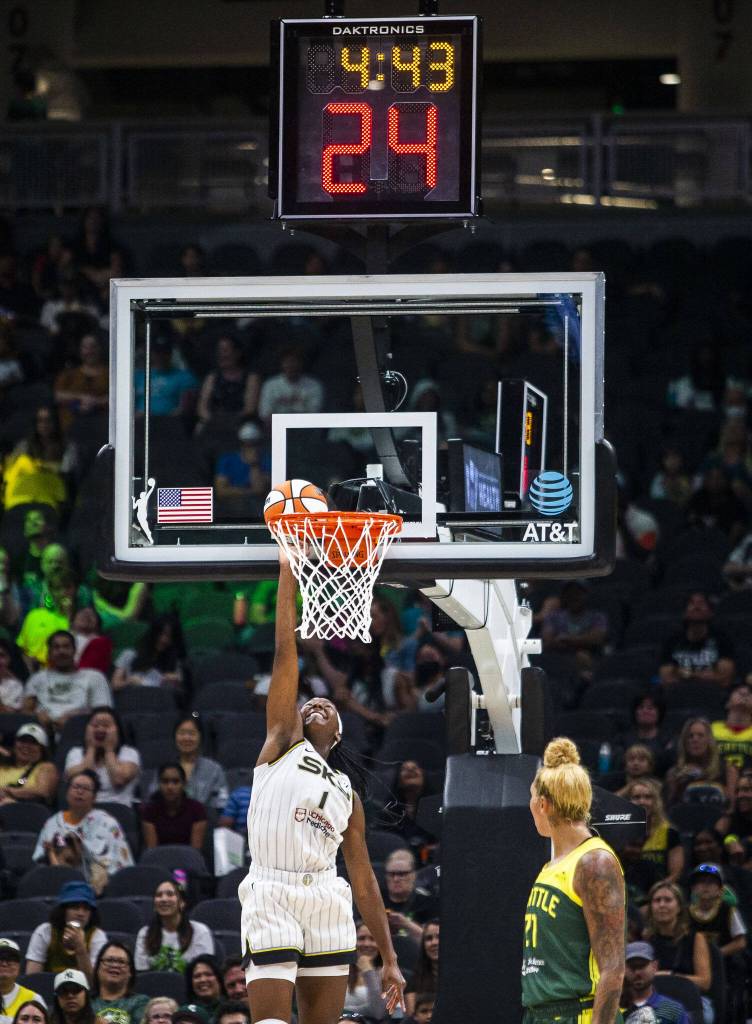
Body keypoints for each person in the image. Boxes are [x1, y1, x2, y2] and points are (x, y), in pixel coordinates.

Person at [236, 553, 404, 1024]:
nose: (315, 704)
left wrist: (390, 958)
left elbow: (366, 881)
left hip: (329, 899)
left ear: (339, 733)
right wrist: (289, 570)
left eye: (326, 706)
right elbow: (283, 654)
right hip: (271, 888)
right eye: (309, 703)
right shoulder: (280, 746)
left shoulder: (346, 792)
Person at [523, 737, 625, 1024]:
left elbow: (613, 968)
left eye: (530, 797)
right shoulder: (553, 865)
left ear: (543, 804)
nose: (529, 806)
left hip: (578, 1013)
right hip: (540, 1013)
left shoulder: (595, 863)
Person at [32, 771, 133, 890]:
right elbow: (40, 858)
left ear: (94, 797)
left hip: (98, 886)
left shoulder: (107, 823)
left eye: (86, 788)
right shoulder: (52, 822)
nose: (80, 792)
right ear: (67, 792)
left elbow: (116, 862)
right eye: (76, 787)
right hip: (55, 883)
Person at [643, 882, 711, 1020]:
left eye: (668, 900)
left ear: (679, 907)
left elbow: (705, 982)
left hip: (691, 1002)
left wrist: (670, 976)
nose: (662, 905)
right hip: (655, 1001)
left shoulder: (696, 938)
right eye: (657, 900)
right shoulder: (645, 940)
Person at [23, 631, 112, 733]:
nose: (61, 651)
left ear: (75, 651)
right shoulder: (37, 678)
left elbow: (104, 712)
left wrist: (77, 717)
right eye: (56, 647)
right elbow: (26, 710)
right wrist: (37, 715)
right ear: (49, 653)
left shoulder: (95, 676)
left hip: (81, 729)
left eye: (66, 647)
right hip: (41, 731)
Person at [25, 881, 108, 982]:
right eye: (75, 907)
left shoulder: (97, 936)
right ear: (63, 910)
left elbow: (93, 983)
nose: (81, 913)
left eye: (86, 909)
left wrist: (80, 948)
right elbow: (32, 978)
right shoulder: (45, 931)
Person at [63, 707, 141, 807]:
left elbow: (119, 780)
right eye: (95, 725)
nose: (100, 729)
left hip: (118, 811)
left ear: (118, 730)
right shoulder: (75, 753)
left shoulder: (129, 753)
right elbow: (82, 781)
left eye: (106, 725)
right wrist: (91, 748)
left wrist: (109, 750)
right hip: (84, 810)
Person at [134, 879, 214, 973]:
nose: (164, 899)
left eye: (170, 894)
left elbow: (204, 972)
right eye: (159, 895)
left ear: (182, 903)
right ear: (154, 905)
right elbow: (142, 973)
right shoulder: (145, 933)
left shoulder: (200, 931)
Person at [659, 592, 736, 690]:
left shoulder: (722, 640)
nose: (696, 606)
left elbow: (724, 680)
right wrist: (706, 675)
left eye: (702, 603)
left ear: (711, 612)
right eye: (692, 603)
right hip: (679, 694)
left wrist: (686, 674)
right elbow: (666, 680)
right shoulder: (672, 641)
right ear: (684, 612)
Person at [621, 779, 684, 883]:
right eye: (636, 797)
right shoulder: (619, 831)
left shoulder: (670, 832)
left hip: (658, 892)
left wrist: (655, 892)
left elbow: (676, 873)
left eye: (648, 797)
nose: (642, 802)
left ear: (656, 801)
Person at [195, 335, 260, 433]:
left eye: (225, 350)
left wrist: (230, 421)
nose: (221, 354)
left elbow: (250, 408)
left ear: (237, 353)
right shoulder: (212, 377)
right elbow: (202, 407)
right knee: (199, 428)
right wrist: (214, 421)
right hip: (214, 421)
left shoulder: (251, 377)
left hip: (241, 422)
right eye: (219, 350)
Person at [140, 763, 207, 851]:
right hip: (159, 861)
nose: (170, 787)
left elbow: (195, 852)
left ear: (184, 784)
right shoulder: (150, 811)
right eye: (165, 781)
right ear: (159, 784)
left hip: (189, 861)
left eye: (175, 782)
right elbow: (153, 851)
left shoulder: (197, 809)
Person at [111, 615, 185, 693]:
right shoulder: (129, 654)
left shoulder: (175, 662)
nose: (164, 640)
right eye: (161, 634)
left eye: (169, 636)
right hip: (134, 699)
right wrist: (129, 681)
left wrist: (176, 679)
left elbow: (180, 692)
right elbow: (115, 684)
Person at [622, 942, 691, 1024]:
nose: (637, 972)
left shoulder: (673, 1011)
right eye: (632, 967)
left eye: (642, 966)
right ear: (624, 969)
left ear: (654, 966)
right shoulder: (614, 1011)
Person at [663, 719, 725, 807]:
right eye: (690, 736)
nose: (695, 740)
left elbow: (729, 807)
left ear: (709, 740)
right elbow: (666, 808)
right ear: (684, 742)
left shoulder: (725, 770)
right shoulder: (673, 773)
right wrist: (676, 786)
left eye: (701, 736)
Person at [172, 717, 228, 811]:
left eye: (191, 733)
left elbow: (221, 802)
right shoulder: (166, 769)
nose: (186, 738)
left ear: (200, 737)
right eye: (182, 733)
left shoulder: (214, 769)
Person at [382, 849, 438, 939]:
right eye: (392, 874)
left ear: (413, 875)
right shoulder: (375, 902)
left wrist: (406, 924)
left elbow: (433, 941)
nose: (396, 879)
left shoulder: (430, 903)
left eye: (402, 874)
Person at [0, 721, 58, 805]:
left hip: (22, 810)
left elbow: (43, 791)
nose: (26, 746)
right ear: (15, 743)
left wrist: (9, 791)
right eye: (23, 741)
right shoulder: (3, 764)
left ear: (42, 748)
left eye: (33, 743)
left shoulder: (45, 767)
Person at [91, 944, 148, 1024]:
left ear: (130, 972)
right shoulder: (85, 1002)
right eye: (109, 960)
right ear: (97, 968)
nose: (115, 965)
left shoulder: (141, 1002)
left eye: (121, 962)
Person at [341, 922, 386, 1023]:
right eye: (361, 939)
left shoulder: (388, 974)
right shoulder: (340, 970)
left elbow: (378, 1012)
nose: (367, 944)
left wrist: (368, 971)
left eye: (372, 939)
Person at [711, 682, 752, 791]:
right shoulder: (711, 729)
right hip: (716, 779)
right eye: (739, 692)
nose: (745, 694)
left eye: (749, 693)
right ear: (727, 703)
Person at [0, 938, 47, 1021]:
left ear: (19, 966)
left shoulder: (33, 999)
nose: (4, 963)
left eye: (11, 959)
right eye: (0, 959)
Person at [404, 921, 439, 1017]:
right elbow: (412, 1016)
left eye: (439, 937)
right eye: (429, 938)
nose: (434, 942)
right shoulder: (414, 979)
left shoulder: (462, 976)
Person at [70, 609, 112, 676]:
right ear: (73, 621)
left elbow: (88, 669)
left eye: (91, 615)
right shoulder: (60, 637)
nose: (86, 616)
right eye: (82, 614)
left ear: (98, 624)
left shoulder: (101, 642)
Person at [184, 957, 225, 1023]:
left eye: (208, 974)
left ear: (219, 978)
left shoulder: (232, 1009)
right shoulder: (185, 1013)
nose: (202, 980)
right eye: (197, 976)